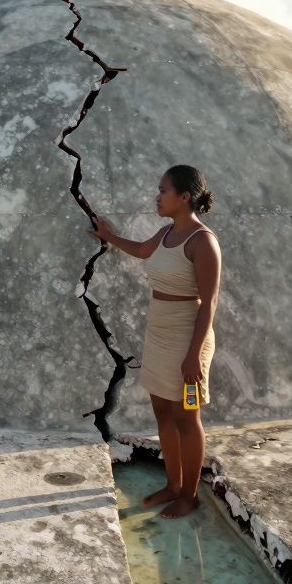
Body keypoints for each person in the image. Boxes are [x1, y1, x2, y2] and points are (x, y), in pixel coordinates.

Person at [88, 164, 220, 518]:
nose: (156, 196)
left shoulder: (203, 242)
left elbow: (209, 304)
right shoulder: (165, 233)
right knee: (162, 410)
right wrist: (109, 236)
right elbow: (143, 250)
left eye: (163, 191)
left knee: (187, 417)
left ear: (184, 197)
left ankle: (189, 496)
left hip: (189, 340)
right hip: (159, 335)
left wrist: (193, 356)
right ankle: (173, 485)